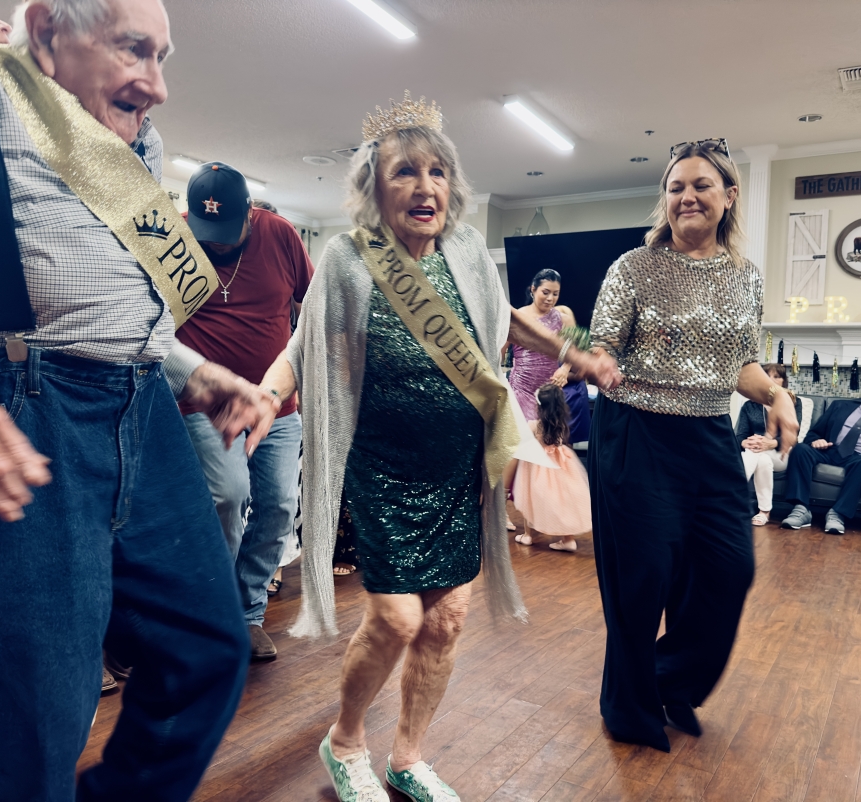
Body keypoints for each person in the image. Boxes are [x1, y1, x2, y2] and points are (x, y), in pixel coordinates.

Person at [0, 2, 279, 798]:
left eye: (163, 57)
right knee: (31, 724)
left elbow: (113, 298)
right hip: (21, 402)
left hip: (141, 405)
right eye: (135, 50)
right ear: (49, 34)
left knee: (206, 650)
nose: (159, 86)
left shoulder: (133, 139)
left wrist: (189, 370)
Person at [258, 92, 620, 802]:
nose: (425, 187)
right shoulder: (347, 259)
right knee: (395, 615)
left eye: (436, 172)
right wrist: (265, 401)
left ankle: (409, 756)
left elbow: (513, 323)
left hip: (458, 468)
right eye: (404, 173)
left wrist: (579, 349)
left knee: (447, 618)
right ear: (374, 188)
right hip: (384, 467)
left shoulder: (466, 256)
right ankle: (346, 740)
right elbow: (299, 350)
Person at [588, 138, 799, 752]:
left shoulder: (744, 278)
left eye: (701, 185)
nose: (687, 196)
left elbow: (739, 364)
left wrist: (775, 396)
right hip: (637, 431)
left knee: (730, 568)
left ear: (728, 197)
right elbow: (602, 346)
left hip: (707, 432)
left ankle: (665, 678)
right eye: (676, 187)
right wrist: (596, 363)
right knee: (643, 576)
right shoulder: (633, 266)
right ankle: (628, 707)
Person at [179, 161, 312, 662]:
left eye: (225, 231)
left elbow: (315, 310)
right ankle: (210, 615)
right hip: (206, 403)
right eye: (205, 231)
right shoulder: (175, 236)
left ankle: (247, 613)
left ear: (250, 215)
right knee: (228, 499)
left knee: (278, 507)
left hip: (277, 406)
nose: (215, 244)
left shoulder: (279, 236)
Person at [781, 373, 861, 535]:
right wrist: (816, 441)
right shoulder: (840, 406)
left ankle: (837, 514)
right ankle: (801, 509)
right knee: (800, 449)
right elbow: (814, 433)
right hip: (830, 451)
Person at [505, 383, 592, 552]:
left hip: (537, 467)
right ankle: (568, 539)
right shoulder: (562, 424)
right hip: (562, 464)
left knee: (530, 499)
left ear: (539, 406)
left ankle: (528, 535)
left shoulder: (533, 425)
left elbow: (523, 445)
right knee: (564, 500)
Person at [735, 363, 803, 526]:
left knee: (755, 455)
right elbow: (739, 436)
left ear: (784, 381)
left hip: (781, 453)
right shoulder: (749, 405)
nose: (771, 380)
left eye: (776, 376)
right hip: (756, 451)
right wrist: (748, 442)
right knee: (760, 458)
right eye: (766, 376)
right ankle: (764, 511)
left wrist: (771, 443)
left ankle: (729, 501)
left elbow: (793, 435)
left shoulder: (793, 403)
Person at [508, 268, 575, 421]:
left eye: (555, 294)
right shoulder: (516, 317)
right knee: (527, 438)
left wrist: (565, 369)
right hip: (521, 388)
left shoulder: (565, 320)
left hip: (550, 389)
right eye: (545, 292)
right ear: (533, 289)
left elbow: (572, 350)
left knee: (549, 438)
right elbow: (498, 351)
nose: (550, 298)